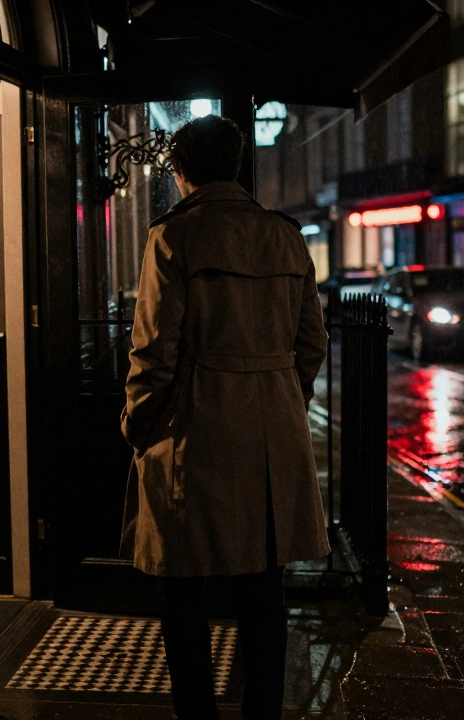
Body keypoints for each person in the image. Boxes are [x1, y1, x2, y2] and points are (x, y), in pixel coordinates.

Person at [119, 114, 329, 720]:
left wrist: (138, 424)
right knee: (265, 589)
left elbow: (154, 349)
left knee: (183, 589)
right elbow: (311, 344)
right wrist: (283, 397)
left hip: (196, 430)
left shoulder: (173, 236)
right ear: (235, 166)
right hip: (272, 434)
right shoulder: (285, 235)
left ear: (181, 170)